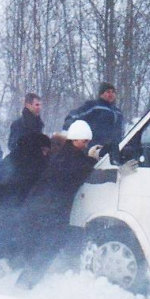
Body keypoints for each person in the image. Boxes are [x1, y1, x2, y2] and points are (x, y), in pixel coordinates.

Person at [15, 120, 101, 289]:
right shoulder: (67, 158)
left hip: (44, 208)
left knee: (47, 247)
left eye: (87, 142)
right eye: (84, 141)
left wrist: (91, 159)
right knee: (47, 247)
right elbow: (83, 171)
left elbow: (82, 164)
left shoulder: (67, 154)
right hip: (46, 210)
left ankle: (27, 284)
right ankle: (24, 287)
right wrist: (109, 170)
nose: (86, 145)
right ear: (75, 140)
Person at [0, 132, 52, 260]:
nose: (46, 154)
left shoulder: (16, 155)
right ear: (37, 148)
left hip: (2, 202)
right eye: (44, 150)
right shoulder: (35, 161)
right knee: (10, 231)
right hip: (13, 203)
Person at [63, 82, 124, 148]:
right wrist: (69, 122)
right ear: (101, 94)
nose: (111, 94)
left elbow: (121, 131)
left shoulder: (118, 112)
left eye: (113, 92)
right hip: (94, 147)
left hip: (113, 149)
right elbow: (77, 114)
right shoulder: (95, 106)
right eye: (108, 92)